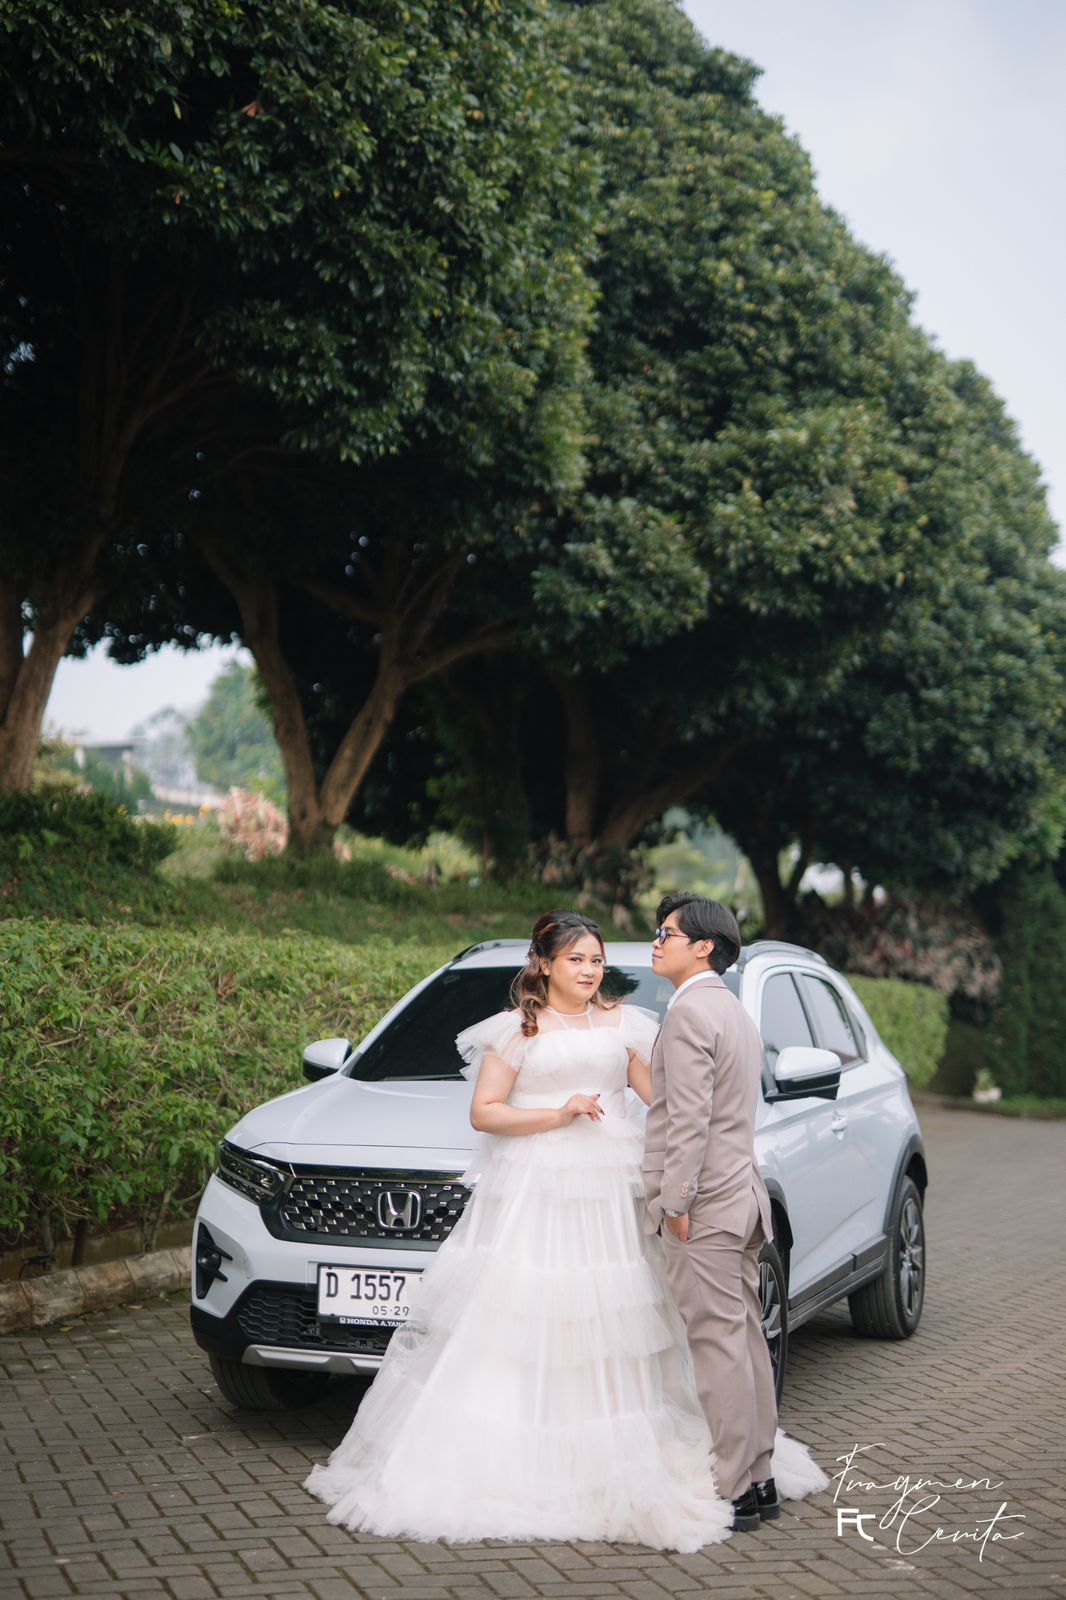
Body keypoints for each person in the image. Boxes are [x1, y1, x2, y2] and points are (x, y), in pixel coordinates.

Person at [305, 908, 823, 1547]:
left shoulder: (626, 1024)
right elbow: (484, 1113)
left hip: (611, 1191)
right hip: (536, 1190)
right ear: (545, 964)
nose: (589, 970)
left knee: (617, 1317)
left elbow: (669, 1102)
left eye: (597, 960)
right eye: (576, 959)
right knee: (532, 1313)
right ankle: (538, 1455)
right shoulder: (516, 1030)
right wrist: (559, 1113)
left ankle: (678, 1455)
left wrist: (694, 1167)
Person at [644, 892, 823, 1531]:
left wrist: (675, 1202)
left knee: (720, 1348)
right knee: (745, 1341)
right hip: (741, 1199)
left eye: (666, 933)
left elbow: (689, 1121)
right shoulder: (734, 1011)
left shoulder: (691, 1013)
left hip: (706, 1207)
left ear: (704, 947)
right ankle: (761, 1477)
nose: (656, 941)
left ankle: (735, 1486)